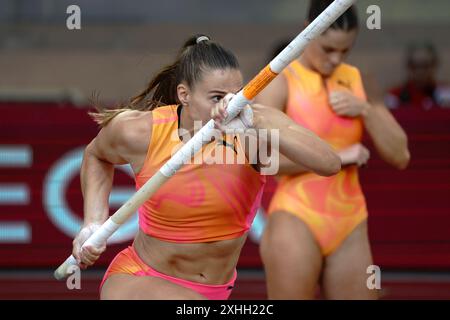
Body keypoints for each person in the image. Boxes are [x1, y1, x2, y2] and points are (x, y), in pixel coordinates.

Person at [71, 34, 341, 300]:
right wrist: (92, 222)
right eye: (216, 97)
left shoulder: (254, 124)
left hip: (215, 292)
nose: (229, 105)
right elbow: (96, 155)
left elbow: (329, 163)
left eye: (236, 95)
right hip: (140, 279)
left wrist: (257, 123)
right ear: (184, 95)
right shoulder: (141, 131)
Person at [256, 0, 411, 300]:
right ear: (306, 32)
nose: (335, 58)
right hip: (296, 214)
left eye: (345, 51)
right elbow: (261, 160)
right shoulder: (280, 80)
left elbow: (400, 155)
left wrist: (366, 109)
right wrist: (339, 156)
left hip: (350, 219)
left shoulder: (359, 79)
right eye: (328, 49)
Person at [386, 42, 450, 110]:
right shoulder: (394, 96)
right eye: (415, 66)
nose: (420, 71)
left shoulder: (446, 94)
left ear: (434, 65)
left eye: (425, 65)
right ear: (409, 66)